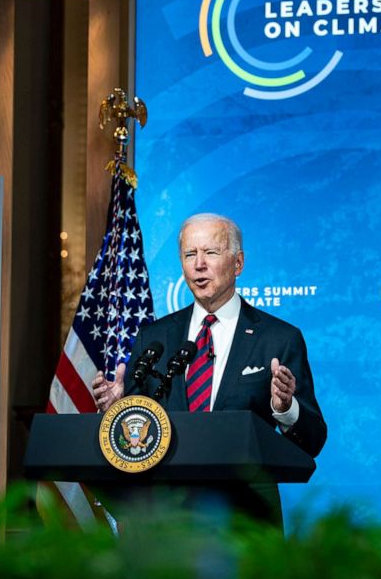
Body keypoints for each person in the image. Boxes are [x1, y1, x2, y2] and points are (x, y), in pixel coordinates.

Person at [91, 213, 326, 524]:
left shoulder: (279, 339)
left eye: (211, 253)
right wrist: (118, 409)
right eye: (190, 254)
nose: (198, 264)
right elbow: (136, 439)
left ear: (238, 263)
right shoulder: (154, 338)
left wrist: (285, 408)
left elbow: (313, 440)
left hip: (246, 521)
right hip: (166, 518)